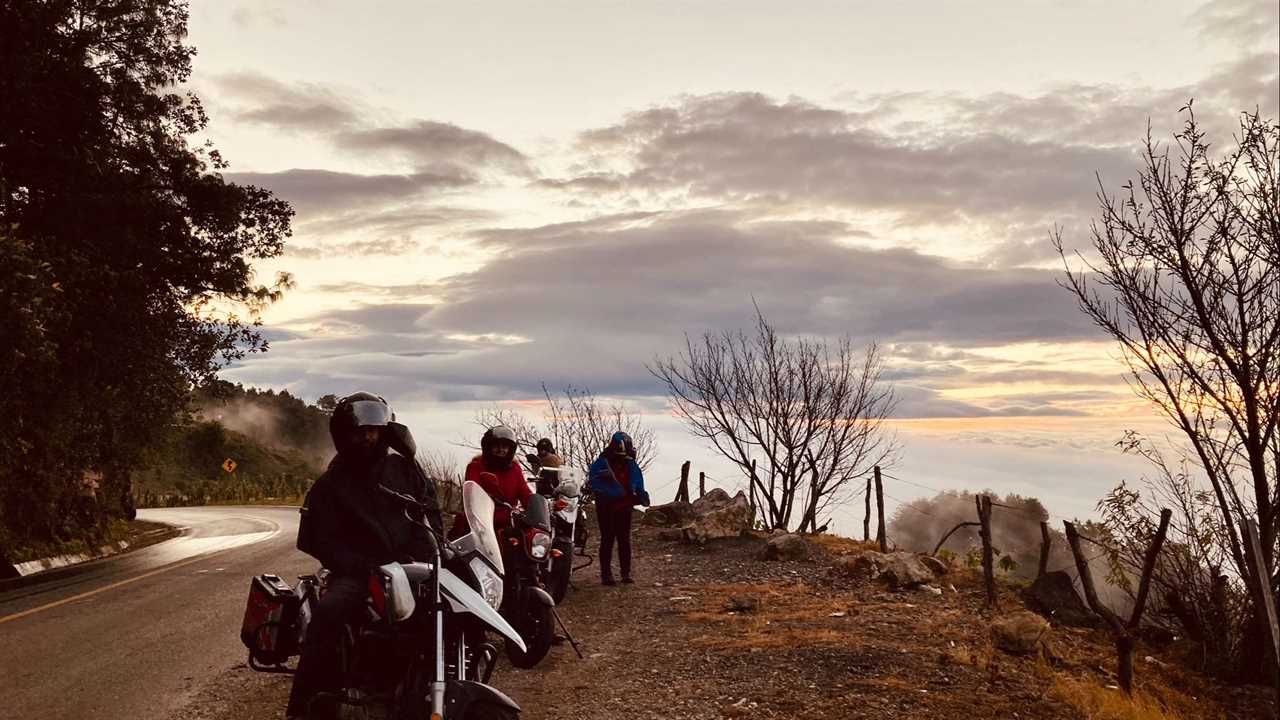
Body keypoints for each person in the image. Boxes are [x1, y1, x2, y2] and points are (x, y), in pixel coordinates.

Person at [286, 392, 441, 720]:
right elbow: (320, 540)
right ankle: (303, 706)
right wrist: (360, 566)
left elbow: (429, 513)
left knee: (449, 605)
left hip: (412, 566)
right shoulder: (331, 484)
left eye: (374, 429)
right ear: (343, 434)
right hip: (359, 572)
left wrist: (429, 553)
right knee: (328, 613)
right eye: (360, 430)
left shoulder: (406, 470)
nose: (368, 436)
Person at [588, 431, 649, 585]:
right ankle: (606, 575)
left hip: (624, 506)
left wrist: (641, 495)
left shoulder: (629, 463)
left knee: (624, 541)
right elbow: (595, 483)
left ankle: (625, 574)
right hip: (606, 507)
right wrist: (613, 492)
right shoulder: (601, 463)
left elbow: (637, 480)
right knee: (608, 539)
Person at [449, 425, 532, 538]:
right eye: (496, 446)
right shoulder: (476, 466)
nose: (501, 450)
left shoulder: (515, 468)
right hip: (481, 520)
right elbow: (472, 492)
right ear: (488, 447)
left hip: (508, 521)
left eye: (505, 447)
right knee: (462, 536)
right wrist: (488, 499)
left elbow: (525, 493)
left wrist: (538, 508)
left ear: (510, 449)